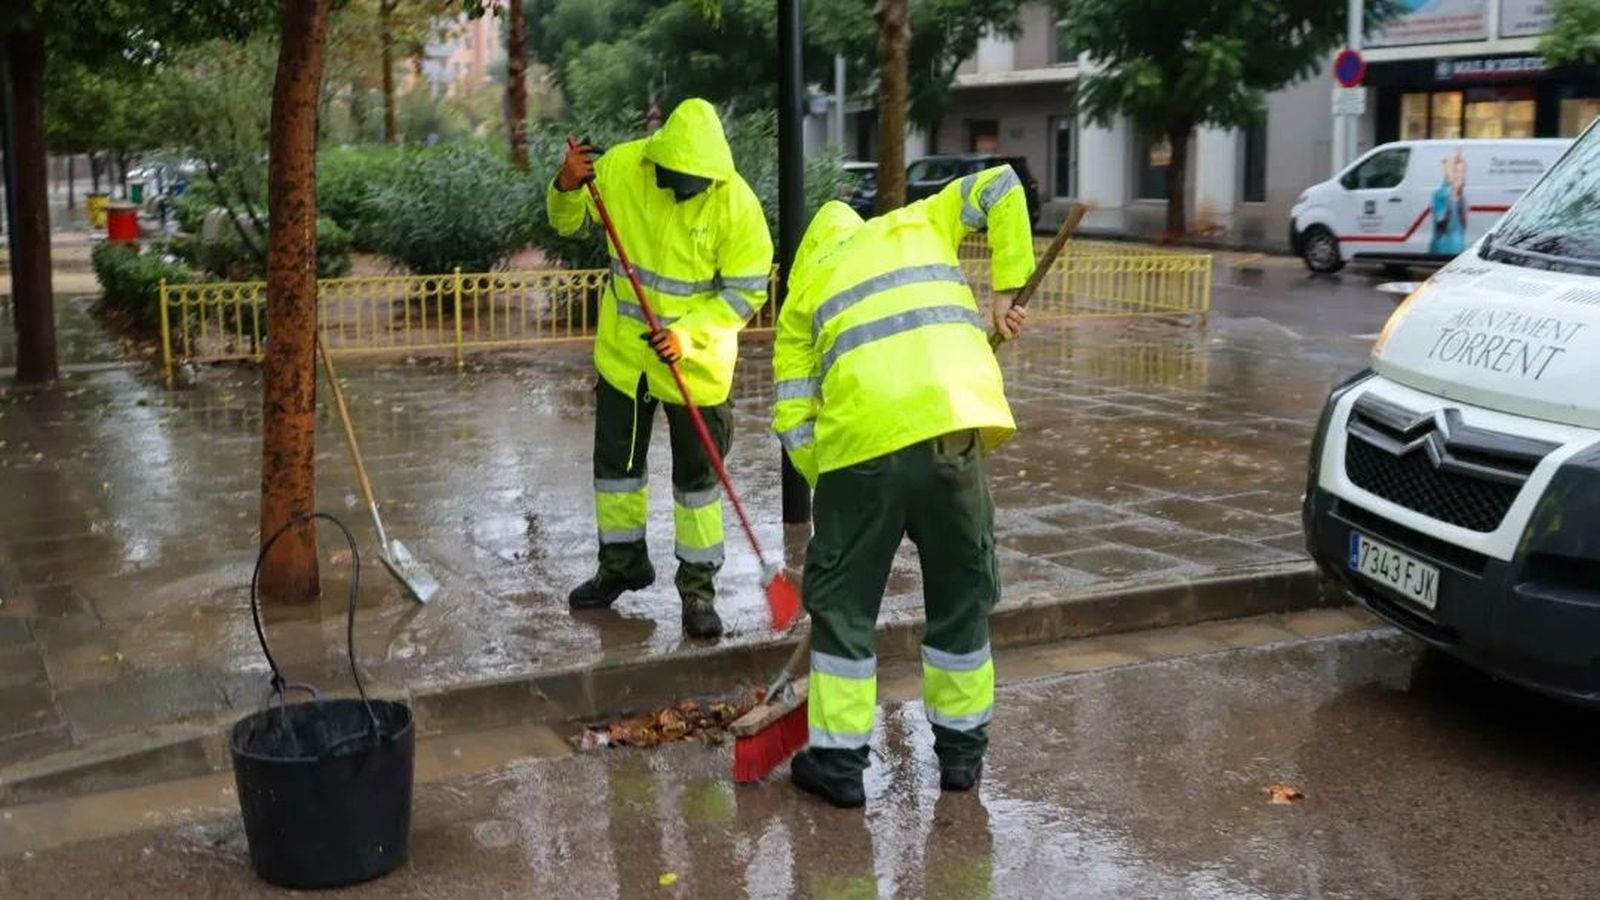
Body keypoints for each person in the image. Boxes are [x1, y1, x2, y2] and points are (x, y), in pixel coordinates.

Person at [771, 166, 1034, 808]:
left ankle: (838, 764)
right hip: (952, 435)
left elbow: (794, 418)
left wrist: (833, 488)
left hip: (861, 456)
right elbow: (1003, 185)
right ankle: (961, 760)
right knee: (961, 598)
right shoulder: (920, 221)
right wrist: (1008, 289)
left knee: (843, 613)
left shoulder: (804, 294)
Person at [549, 98, 773, 639]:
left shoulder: (736, 205)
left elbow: (746, 293)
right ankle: (621, 567)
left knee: (697, 485)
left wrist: (687, 335)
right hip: (626, 361)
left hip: (697, 370)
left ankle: (698, 592)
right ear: (659, 161)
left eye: (696, 180)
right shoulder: (625, 167)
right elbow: (567, 223)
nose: (684, 186)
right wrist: (566, 184)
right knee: (616, 475)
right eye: (676, 176)